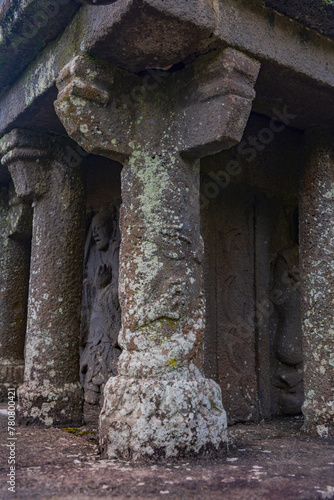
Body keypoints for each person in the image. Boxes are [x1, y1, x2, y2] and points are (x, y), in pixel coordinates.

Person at [80, 205, 121, 406]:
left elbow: (122, 287)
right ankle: (93, 387)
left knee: (104, 347)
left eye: (100, 228)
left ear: (111, 227)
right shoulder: (97, 255)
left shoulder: (116, 250)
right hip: (98, 314)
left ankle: (104, 388)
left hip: (109, 316)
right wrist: (94, 286)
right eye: (93, 230)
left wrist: (103, 285)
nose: (95, 234)